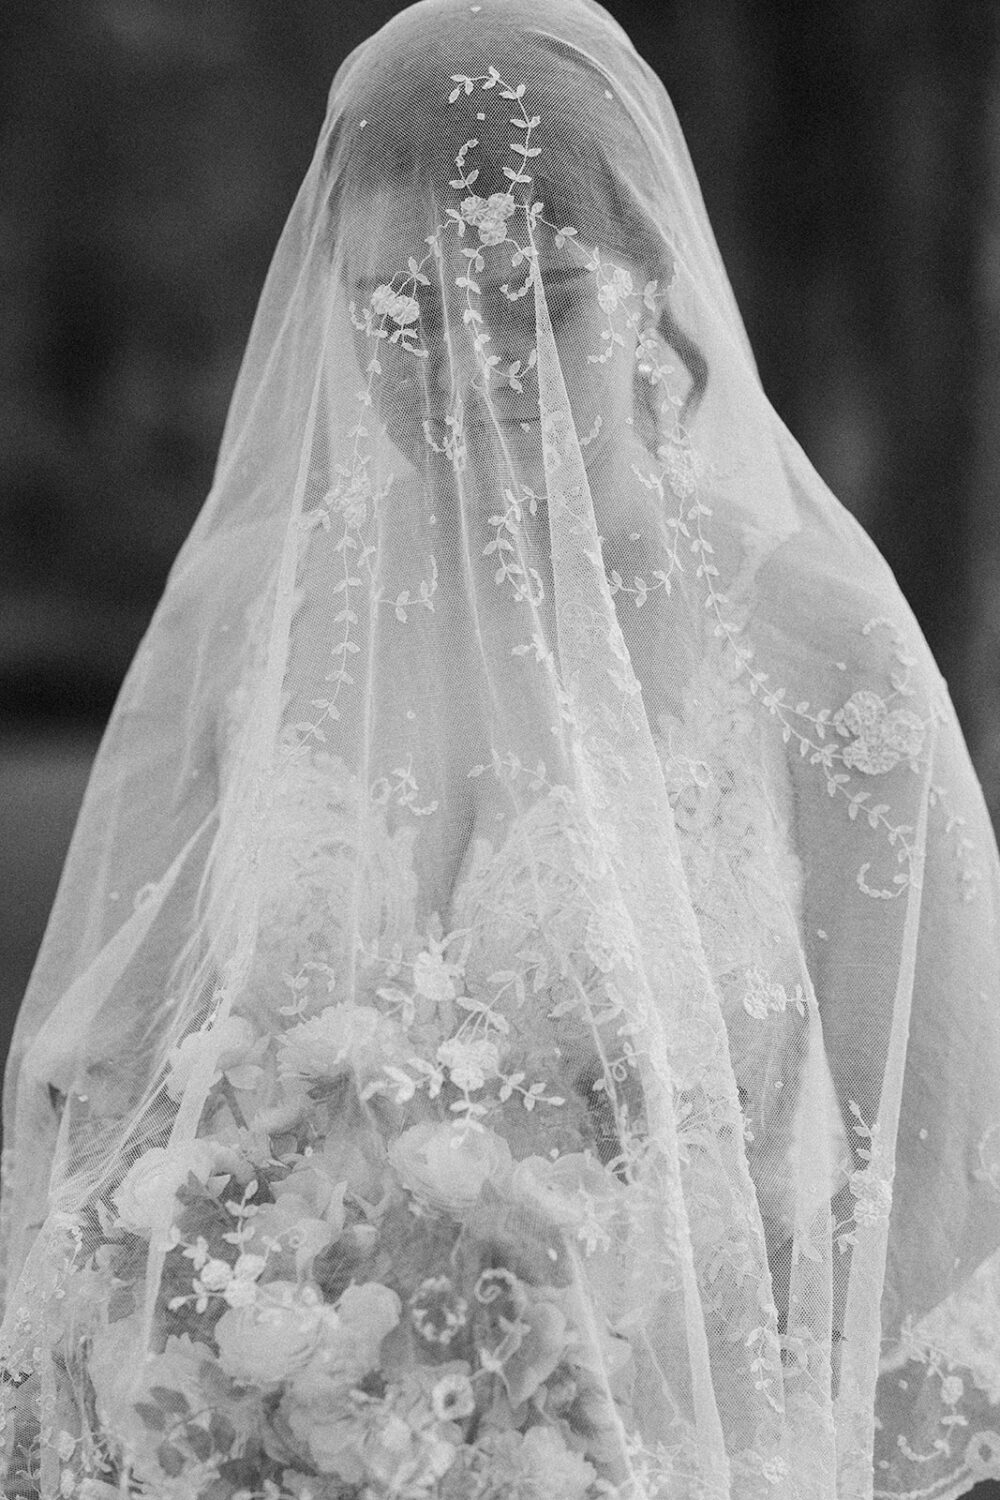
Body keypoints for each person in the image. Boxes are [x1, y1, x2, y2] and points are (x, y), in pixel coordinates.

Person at [2, 1, 999, 1495]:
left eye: (539, 301)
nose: (472, 371)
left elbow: (919, 1160)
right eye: (402, 313)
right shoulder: (247, 613)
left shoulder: (811, 641)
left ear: (652, 274)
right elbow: (109, 1070)